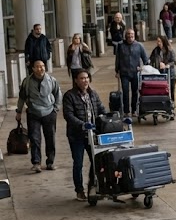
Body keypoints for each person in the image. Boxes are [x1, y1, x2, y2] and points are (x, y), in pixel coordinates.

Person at [63, 70, 107, 202]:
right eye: (82, 78)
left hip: (92, 135)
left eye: (87, 78)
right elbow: (68, 115)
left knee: (96, 161)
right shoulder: (69, 96)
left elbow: (101, 109)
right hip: (77, 136)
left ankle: (93, 187)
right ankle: (79, 190)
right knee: (78, 163)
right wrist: (83, 125)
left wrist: (106, 119)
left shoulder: (92, 94)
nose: (85, 80)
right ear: (76, 80)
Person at [16, 59, 61, 173]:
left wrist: (55, 108)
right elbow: (22, 97)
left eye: (42, 66)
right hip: (33, 112)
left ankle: (50, 162)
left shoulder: (51, 80)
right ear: (33, 69)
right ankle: (36, 163)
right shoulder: (27, 81)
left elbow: (57, 93)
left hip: (49, 112)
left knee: (50, 138)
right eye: (38, 66)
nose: (41, 69)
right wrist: (19, 111)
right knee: (35, 139)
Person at [115, 29, 148, 116]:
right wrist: (117, 71)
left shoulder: (139, 46)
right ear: (125, 36)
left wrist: (142, 68)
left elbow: (145, 59)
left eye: (132, 35)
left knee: (135, 91)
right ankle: (126, 111)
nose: (130, 37)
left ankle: (134, 110)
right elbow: (117, 59)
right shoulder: (120, 45)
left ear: (134, 36)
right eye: (128, 35)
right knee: (125, 92)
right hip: (124, 72)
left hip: (135, 72)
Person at [150, 35, 176, 101]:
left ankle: (172, 103)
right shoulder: (156, 50)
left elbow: (174, 61)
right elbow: (151, 59)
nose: (158, 43)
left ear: (163, 42)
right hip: (160, 74)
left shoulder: (170, 50)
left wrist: (166, 65)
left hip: (171, 74)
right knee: (162, 90)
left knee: (171, 90)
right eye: (157, 41)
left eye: (159, 41)